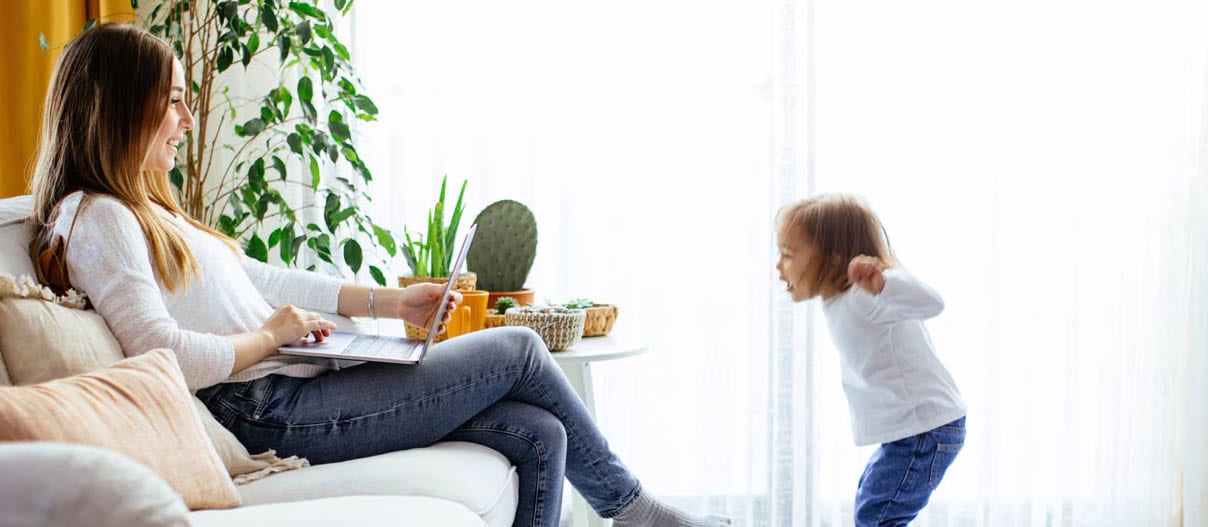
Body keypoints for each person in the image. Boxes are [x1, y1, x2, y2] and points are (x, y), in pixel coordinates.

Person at [29, 23, 728, 527]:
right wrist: (267, 339)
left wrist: (394, 301)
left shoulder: (143, 209)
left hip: (288, 388)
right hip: (263, 409)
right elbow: (163, 357)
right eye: (172, 99)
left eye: (187, 98)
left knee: (538, 431)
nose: (185, 118)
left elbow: (268, 280)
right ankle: (637, 512)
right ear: (120, 108)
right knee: (518, 349)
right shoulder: (96, 218)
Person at [775, 194, 967, 526]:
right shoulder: (836, 300)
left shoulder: (866, 294)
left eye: (789, 256)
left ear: (833, 259)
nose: (779, 268)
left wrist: (883, 284)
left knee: (876, 515)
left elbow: (933, 303)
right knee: (871, 503)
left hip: (925, 426)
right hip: (914, 429)